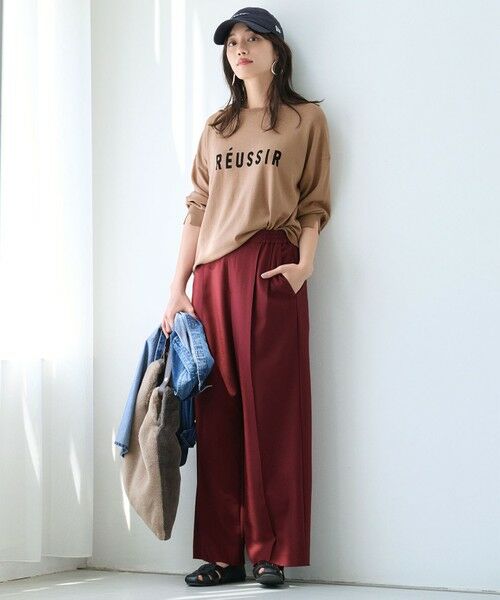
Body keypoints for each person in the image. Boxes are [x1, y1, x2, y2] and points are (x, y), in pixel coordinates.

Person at [161, 6, 332, 588]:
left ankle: (270, 550)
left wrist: (304, 264)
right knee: (218, 412)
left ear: (276, 51)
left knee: (274, 412)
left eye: (253, 38)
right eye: (232, 41)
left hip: (270, 265)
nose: (241, 48)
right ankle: (221, 552)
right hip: (212, 276)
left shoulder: (305, 120)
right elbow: (197, 207)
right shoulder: (217, 127)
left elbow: (313, 200)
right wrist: (177, 288)